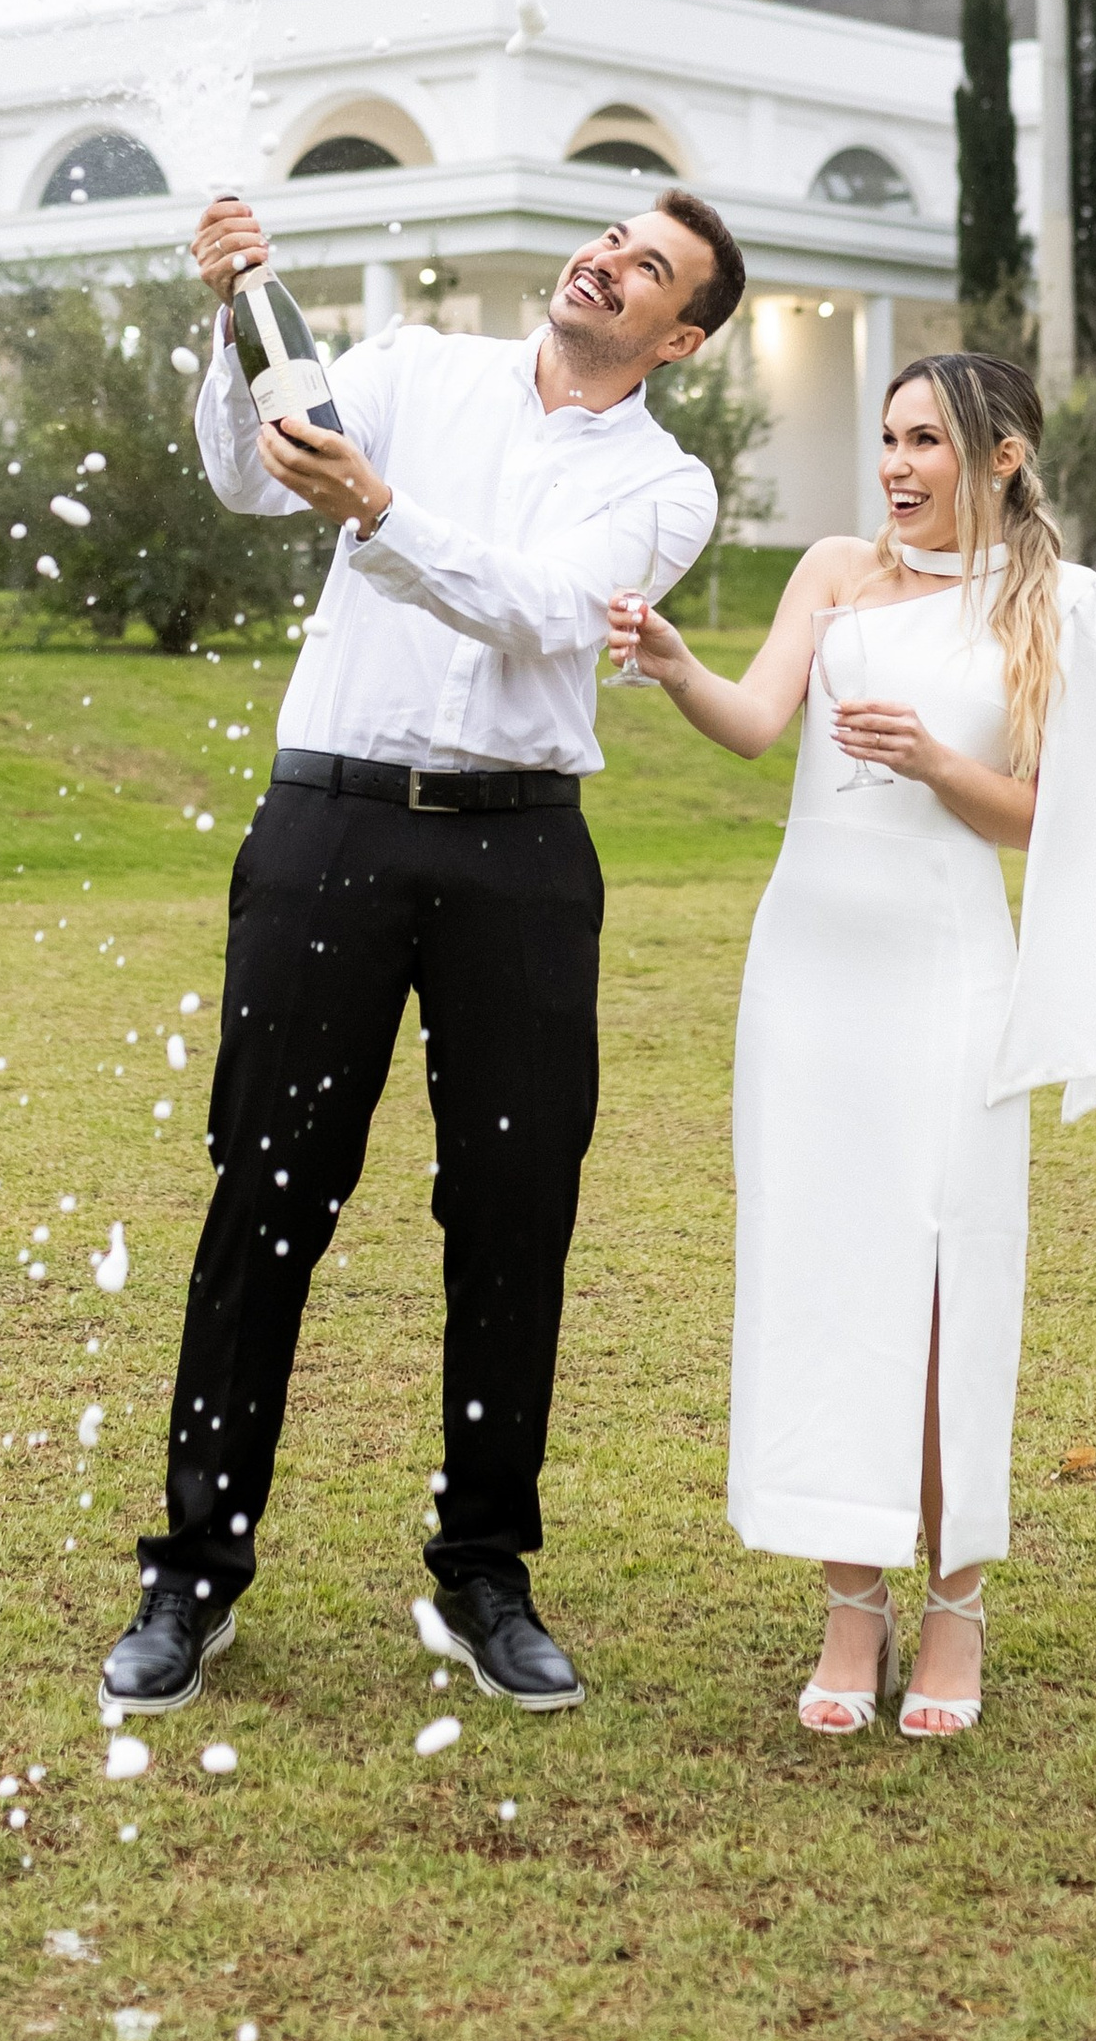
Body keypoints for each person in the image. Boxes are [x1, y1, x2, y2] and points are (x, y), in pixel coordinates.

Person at [100, 184, 743, 1723]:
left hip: (520, 856)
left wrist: (378, 511)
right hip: (327, 829)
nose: (605, 258)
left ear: (686, 335)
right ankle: (193, 1572)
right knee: (266, 1190)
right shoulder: (412, 366)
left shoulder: (668, 487)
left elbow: (543, 613)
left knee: (514, 1212)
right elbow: (251, 482)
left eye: (648, 265)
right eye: (607, 234)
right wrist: (234, 314)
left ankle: (483, 1571)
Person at [611, 349, 1096, 1738]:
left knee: (944, 1294)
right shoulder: (831, 575)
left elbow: (1060, 821)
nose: (897, 467)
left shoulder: (1060, 607)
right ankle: (848, 1605)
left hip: (946, 982)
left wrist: (937, 763)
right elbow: (759, 725)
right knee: (825, 1279)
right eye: (887, 439)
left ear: (1000, 457)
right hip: (808, 983)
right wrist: (680, 662)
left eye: (927, 442)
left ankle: (957, 1609)